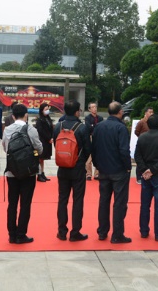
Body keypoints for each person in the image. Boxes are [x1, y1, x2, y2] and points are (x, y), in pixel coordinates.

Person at [91, 101, 132, 244]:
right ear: (120, 112)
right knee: (119, 203)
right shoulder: (121, 128)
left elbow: (94, 148)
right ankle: (117, 234)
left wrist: (97, 165)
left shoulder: (99, 126)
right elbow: (124, 150)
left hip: (103, 169)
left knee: (104, 201)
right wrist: (128, 166)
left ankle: (102, 232)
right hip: (119, 170)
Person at [3, 103, 43, 244]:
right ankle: (21, 234)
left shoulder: (7, 129)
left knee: (12, 204)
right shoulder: (31, 129)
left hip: (12, 171)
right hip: (28, 172)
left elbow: (5, 148)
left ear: (13, 116)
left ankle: (11, 234)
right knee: (25, 204)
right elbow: (39, 148)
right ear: (26, 115)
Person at [53, 99, 90, 242]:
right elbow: (87, 149)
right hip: (77, 168)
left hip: (62, 167)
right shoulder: (82, 128)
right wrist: (80, 160)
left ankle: (61, 231)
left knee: (62, 199)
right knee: (78, 200)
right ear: (76, 112)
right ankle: (75, 232)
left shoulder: (58, 126)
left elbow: (56, 145)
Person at [134, 114, 158, 241]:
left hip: (146, 175)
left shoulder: (142, 137)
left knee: (145, 205)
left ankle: (144, 230)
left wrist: (145, 170)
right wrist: (153, 170)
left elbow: (137, 156)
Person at [133, 106, 154, 183]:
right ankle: (139, 177)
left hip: (152, 144)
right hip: (142, 143)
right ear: (145, 113)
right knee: (140, 160)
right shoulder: (141, 122)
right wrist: (142, 137)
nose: (151, 114)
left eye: (152, 112)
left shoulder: (153, 122)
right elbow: (136, 132)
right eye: (150, 112)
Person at [34, 102, 54, 182]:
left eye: (48, 109)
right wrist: (48, 138)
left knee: (43, 159)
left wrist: (52, 137)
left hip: (48, 141)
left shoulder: (48, 118)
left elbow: (51, 129)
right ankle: (39, 174)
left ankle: (42, 173)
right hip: (42, 141)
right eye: (45, 109)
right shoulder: (40, 120)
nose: (47, 110)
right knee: (40, 158)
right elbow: (40, 131)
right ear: (42, 110)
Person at [84, 102, 102, 181]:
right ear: (89, 109)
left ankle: (97, 174)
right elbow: (88, 127)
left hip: (99, 137)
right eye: (93, 107)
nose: (95, 108)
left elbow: (101, 127)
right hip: (90, 137)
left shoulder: (100, 118)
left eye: (95, 107)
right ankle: (88, 174)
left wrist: (94, 126)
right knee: (89, 156)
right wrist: (95, 127)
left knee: (98, 155)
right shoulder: (87, 118)